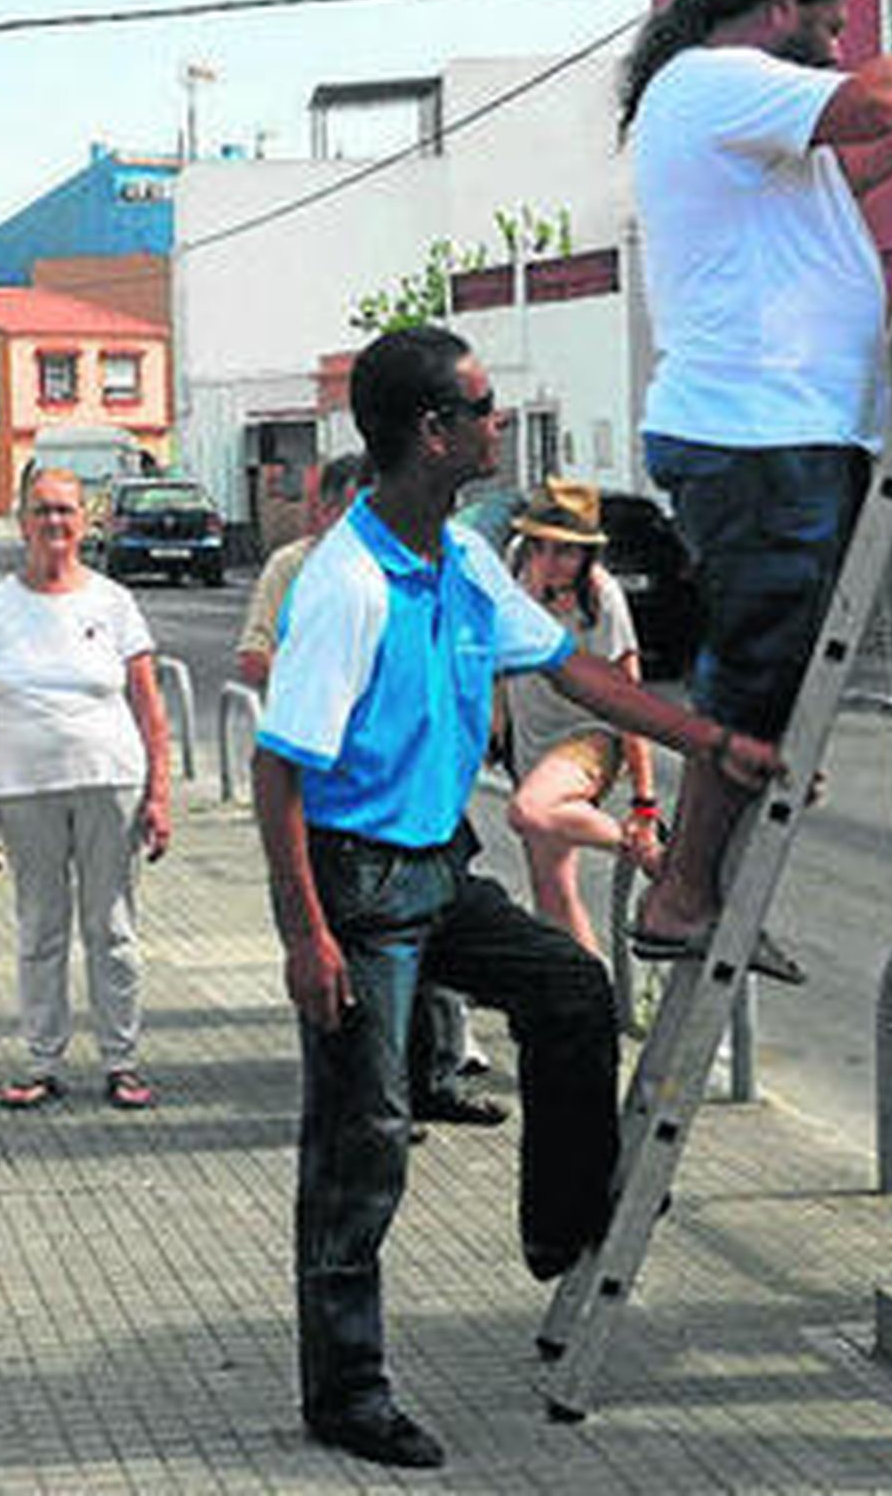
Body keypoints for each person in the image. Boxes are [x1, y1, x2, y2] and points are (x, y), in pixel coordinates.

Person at [252, 325, 779, 1471]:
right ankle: (345, 1391)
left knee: (572, 990)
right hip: (355, 881)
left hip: (436, 864)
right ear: (433, 432)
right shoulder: (348, 583)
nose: (498, 424)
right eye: (484, 408)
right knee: (366, 1139)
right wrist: (305, 934)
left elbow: (572, 668)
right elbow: (278, 765)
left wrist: (712, 742)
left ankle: (560, 1227)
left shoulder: (461, 557)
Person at [619, 0, 892, 979]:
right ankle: (684, 892)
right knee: (757, 677)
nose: (839, 39)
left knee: (776, 675)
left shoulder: (741, 114)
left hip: (784, 429)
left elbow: (860, 153)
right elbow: (873, 104)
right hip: (760, 430)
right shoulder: (719, 79)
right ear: (775, 4)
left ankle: (699, 884)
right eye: (830, 19)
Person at [238, 451, 501, 1131]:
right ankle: (388, 1102)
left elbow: (544, 656)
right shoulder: (318, 574)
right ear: (331, 505)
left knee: (529, 984)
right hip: (353, 844)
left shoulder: (451, 559)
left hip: (430, 830)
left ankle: (432, 1076)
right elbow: (274, 743)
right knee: (364, 1095)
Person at [0, 468, 171, 1111]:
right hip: (25, 791)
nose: (55, 523)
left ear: (85, 520)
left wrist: (159, 793)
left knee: (112, 928)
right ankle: (43, 1062)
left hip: (111, 783)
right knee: (41, 928)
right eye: (42, 511)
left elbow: (149, 705)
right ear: (23, 520)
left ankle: (122, 1061)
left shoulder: (112, 602)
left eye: (66, 511)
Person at [503, 478, 663, 954]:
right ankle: (588, 1003)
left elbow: (630, 700)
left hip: (589, 737)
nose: (551, 564)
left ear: (587, 555)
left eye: (567, 553)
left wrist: (644, 803)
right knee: (552, 894)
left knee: (529, 811)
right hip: (529, 741)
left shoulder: (602, 596)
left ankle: (648, 853)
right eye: (543, 549)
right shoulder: (516, 564)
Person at [235, 452, 368, 689]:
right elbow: (253, 661)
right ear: (328, 512)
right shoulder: (291, 565)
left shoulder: (409, 573)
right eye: (357, 513)